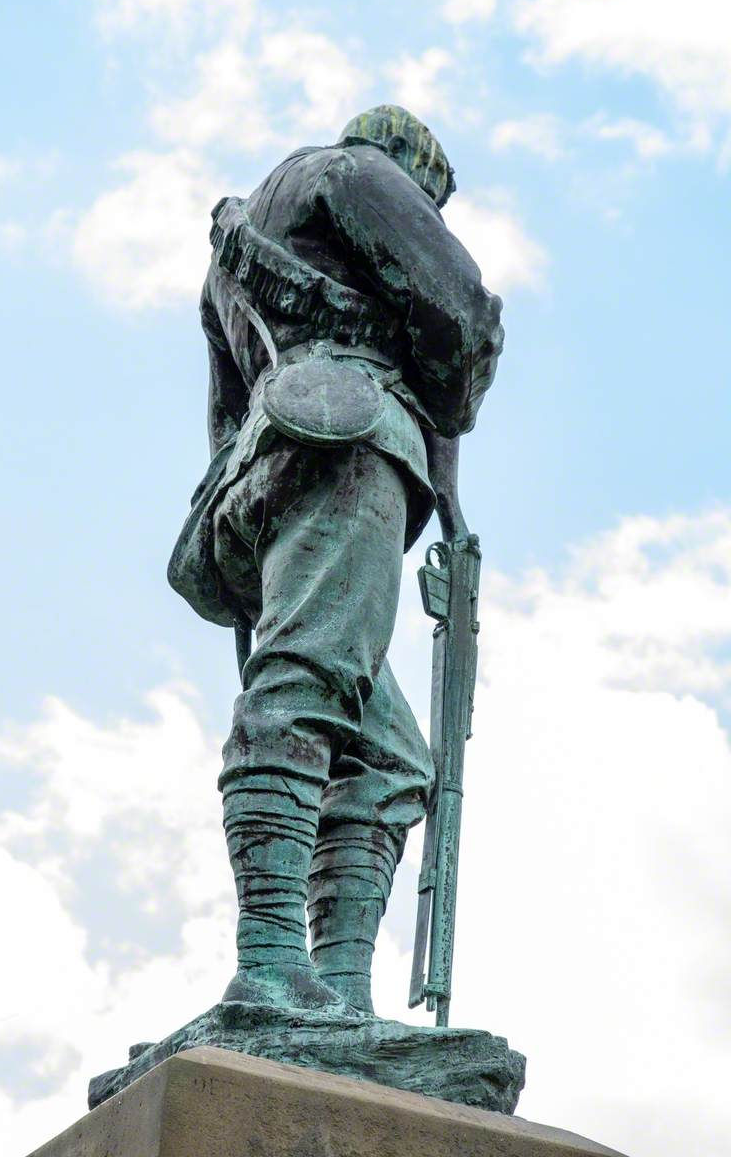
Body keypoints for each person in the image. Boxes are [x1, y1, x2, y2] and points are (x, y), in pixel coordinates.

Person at [169, 104, 504, 1016]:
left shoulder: (236, 242)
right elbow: (464, 322)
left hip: (265, 464)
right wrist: (452, 395)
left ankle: (340, 997)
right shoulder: (356, 175)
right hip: (350, 444)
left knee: (391, 756)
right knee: (304, 689)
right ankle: (272, 965)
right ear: (418, 169)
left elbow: (225, 408)